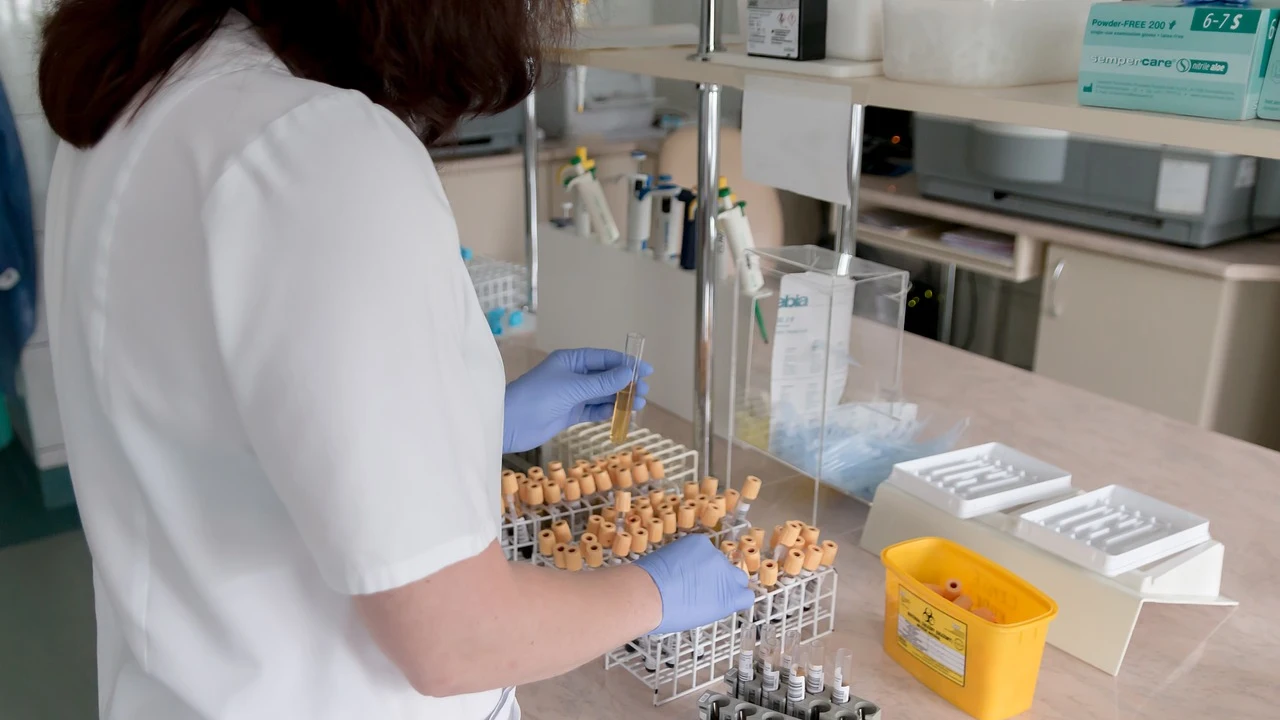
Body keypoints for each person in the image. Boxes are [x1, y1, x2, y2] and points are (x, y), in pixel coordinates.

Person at [36, 2, 755, 719]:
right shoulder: (317, 149)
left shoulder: (135, 99)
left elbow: (210, 428)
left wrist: (478, 425)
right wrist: (651, 593)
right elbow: (459, 639)